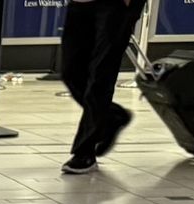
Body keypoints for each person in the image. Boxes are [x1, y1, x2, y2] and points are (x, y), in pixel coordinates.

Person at [59, 0, 145, 173]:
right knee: (71, 71)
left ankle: (85, 152)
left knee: (101, 74)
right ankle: (112, 116)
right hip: (80, 3)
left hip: (116, 5)